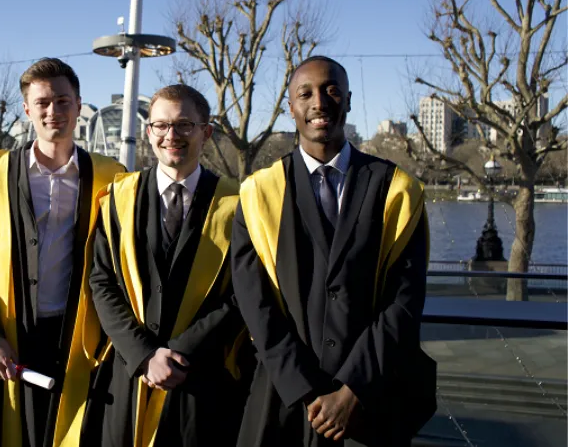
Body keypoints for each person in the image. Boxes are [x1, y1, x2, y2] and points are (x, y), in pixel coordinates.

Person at [231, 56, 435, 447]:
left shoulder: (396, 189)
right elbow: (254, 302)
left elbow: (405, 299)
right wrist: (306, 389)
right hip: (284, 398)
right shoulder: (259, 193)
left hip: (371, 400)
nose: (319, 102)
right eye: (304, 93)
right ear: (291, 107)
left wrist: (351, 389)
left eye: (331, 90)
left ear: (349, 100)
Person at [0, 57, 124, 447]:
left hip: (80, 335)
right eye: (42, 103)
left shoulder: (112, 177)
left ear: (78, 104)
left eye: (62, 101)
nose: (52, 111)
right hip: (10, 334)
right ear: (27, 109)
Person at [69, 84, 245, 447]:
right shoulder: (119, 197)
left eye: (184, 125)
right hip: (129, 373)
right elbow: (102, 281)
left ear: (205, 132)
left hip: (202, 378)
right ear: (148, 132)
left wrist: (182, 352)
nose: (171, 136)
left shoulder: (237, 202)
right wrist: (145, 354)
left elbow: (243, 292)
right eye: (161, 126)